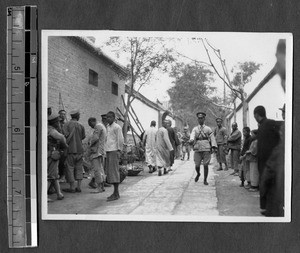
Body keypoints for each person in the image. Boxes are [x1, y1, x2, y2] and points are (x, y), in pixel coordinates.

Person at [253, 105, 280, 214]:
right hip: (265, 160)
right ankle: (267, 208)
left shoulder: (268, 124)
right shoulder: (263, 125)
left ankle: (270, 209)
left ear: (256, 115)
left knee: (268, 184)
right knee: (265, 183)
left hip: (268, 161)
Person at [189, 112, 217, 185]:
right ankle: (198, 173)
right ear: (197, 119)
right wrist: (191, 140)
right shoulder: (195, 129)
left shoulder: (208, 128)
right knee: (197, 165)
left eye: (201, 118)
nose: (200, 120)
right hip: (197, 148)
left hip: (206, 148)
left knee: (205, 165)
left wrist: (213, 146)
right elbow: (192, 135)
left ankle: (205, 179)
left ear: (204, 119)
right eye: (199, 118)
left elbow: (212, 138)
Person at [62, 109, 86, 193]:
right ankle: (79, 186)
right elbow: (83, 137)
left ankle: (72, 187)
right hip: (80, 150)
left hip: (70, 150)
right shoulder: (81, 125)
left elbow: (64, 136)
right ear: (77, 116)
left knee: (70, 168)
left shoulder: (66, 124)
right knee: (79, 168)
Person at [48, 113, 68, 201]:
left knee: (55, 175)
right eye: (58, 122)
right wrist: (65, 146)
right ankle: (43, 196)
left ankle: (59, 193)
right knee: (50, 176)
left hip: (50, 152)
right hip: (52, 153)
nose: (59, 123)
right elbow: (61, 138)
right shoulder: (52, 131)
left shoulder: (48, 129)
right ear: (55, 122)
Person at [105, 111, 124, 201]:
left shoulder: (117, 127)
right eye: (107, 117)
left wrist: (119, 151)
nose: (107, 119)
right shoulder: (108, 127)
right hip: (108, 151)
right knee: (110, 172)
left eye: (109, 117)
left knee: (114, 172)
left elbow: (120, 139)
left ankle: (116, 193)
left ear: (113, 118)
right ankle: (115, 193)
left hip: (114, 151)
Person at [87, 117, 107, 193]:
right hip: (101, 151)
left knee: (97, 170)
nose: (90, 126)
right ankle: (101, 187)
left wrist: (89, 144)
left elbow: (95, 138)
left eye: (90, 124)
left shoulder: (98, 126)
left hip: (97, 152)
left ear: (93, 121)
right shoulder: (102, 126)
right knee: (101, 169)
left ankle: (99, 188)